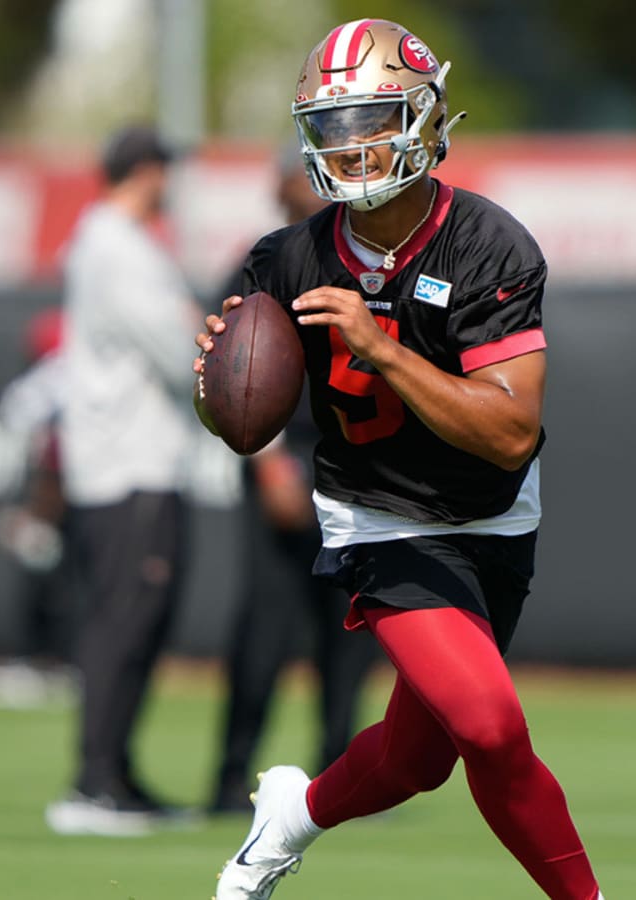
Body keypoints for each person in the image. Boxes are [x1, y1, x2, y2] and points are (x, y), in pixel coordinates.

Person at [194, 19, 605, 899]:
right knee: (491, 728)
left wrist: (380, 350)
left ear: (422, 117)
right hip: (378, 519)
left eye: (372, 118)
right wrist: (220, 390)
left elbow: (508, 433)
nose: (350, 146)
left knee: (420, 759)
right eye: (332, 126)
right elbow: (241, 422)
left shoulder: (490, 245)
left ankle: (288, 820)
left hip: (494, 517)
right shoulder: (287, 257)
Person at [209, 146, 381, 814]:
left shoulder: (361, 261)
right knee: (265, 628)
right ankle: (230, 779)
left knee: (350, 627)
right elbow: (232, 374)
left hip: (353, 464)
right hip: (286, 457)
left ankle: (341, 778)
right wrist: (267, 457)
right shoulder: (267, 260)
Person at [43, 124, 204, 836]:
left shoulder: (122, 243)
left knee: (143, 620)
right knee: (122, 620)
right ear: (142, 171)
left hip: (142, 460)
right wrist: (204, 335)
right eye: (164, 170)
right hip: (127, 462)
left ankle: (117, 772)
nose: (170, 184)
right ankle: (93, 784)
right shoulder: (115, 244)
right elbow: (178, 351)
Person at [0, 307, 77, 710]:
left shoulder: (50, 379)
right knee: (73, 581)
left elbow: (53, 456)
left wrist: (36, 513)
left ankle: (45, 664)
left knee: (50, 581)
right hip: (97, 497)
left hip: (64, 500)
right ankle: (64, 665)